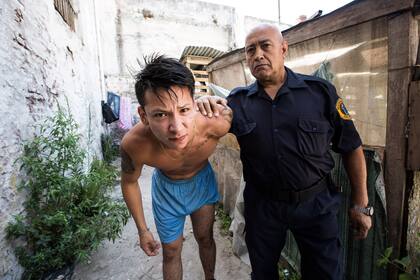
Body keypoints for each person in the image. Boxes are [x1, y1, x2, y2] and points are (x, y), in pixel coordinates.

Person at [196, 24, 372, 280]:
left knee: (325, 274)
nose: (257, 55)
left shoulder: (320, 93)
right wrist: (202, 101)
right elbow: (205, 128)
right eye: (250, 50)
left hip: (316, 205)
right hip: (263, 207)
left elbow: (352, 147)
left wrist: (362, 205)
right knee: (263, 273)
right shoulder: (238, 101)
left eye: (265, 46)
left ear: (283, 49)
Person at [120, 55, 232, 280]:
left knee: (205, 238)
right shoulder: (135, 144)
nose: (176, 127)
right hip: (166, 190)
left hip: (201, 182)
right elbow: (129, 182)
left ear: (194, 104)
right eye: (161, 114)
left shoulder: (216, 124)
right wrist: (143, 230)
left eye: (184, 110)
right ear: (143, 115)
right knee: (170, 251)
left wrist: (222, 104)